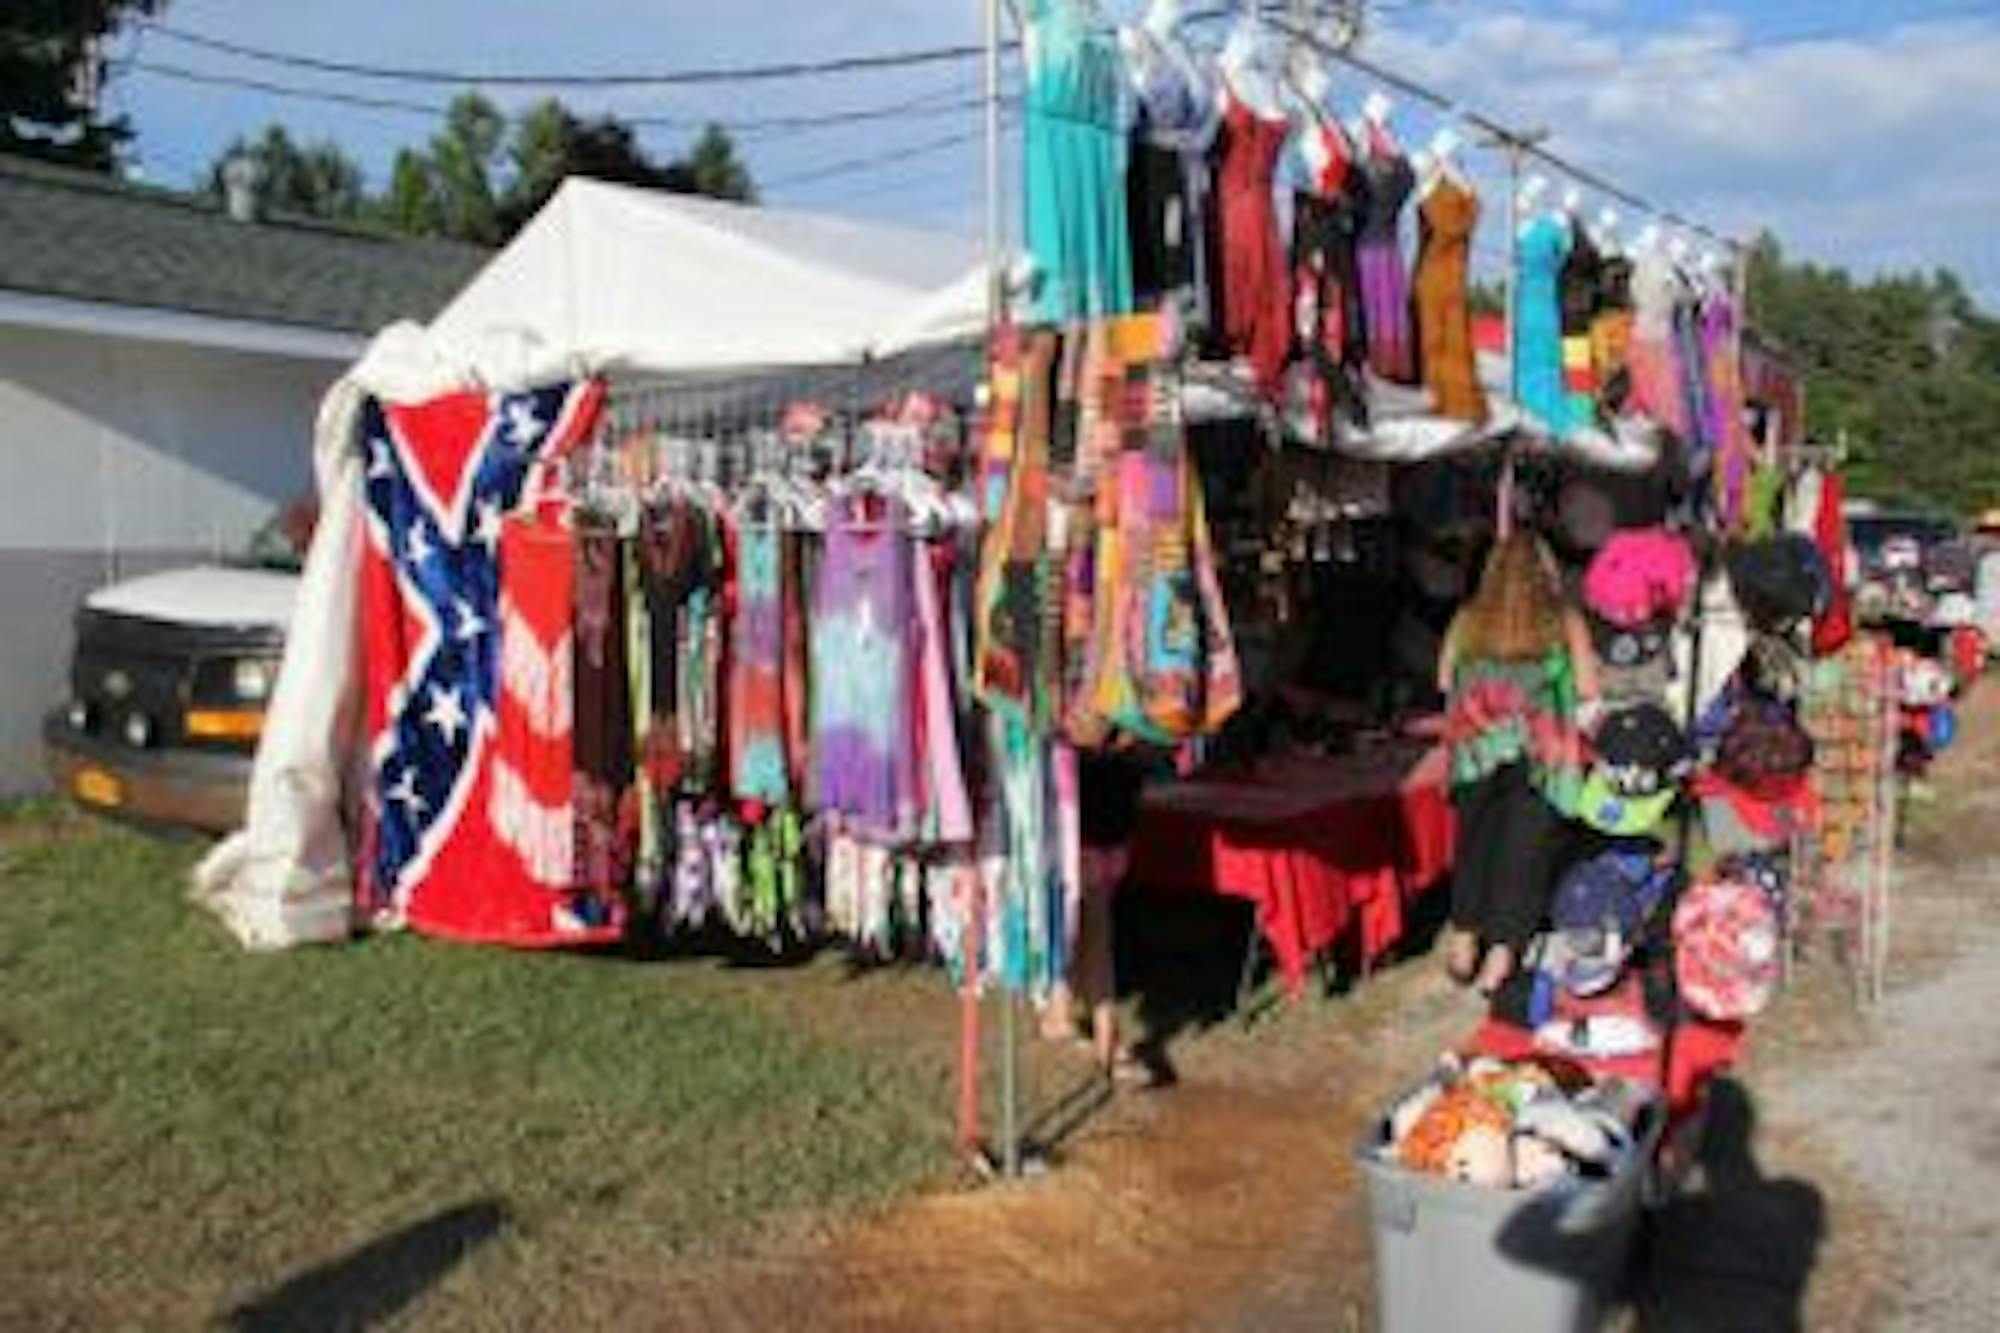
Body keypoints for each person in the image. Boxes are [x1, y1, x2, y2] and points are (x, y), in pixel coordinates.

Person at [1436, 531, 1600, 994]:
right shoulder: (1564, 622)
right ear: (1546, 574)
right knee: (1522, 858)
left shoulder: (1467, 620)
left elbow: (1445, 678)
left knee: (1475, 848)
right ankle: (1500, 961)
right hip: (1542, 756)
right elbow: (1588, 689)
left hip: (1476, 753)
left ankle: (1463, 944)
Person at [1042, 750, 1149, 1083]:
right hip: (1089, 812)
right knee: (1094, 926)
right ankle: (1105, 1036)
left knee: (1082, 922)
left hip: (1104, 813)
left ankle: (1061, 1011)